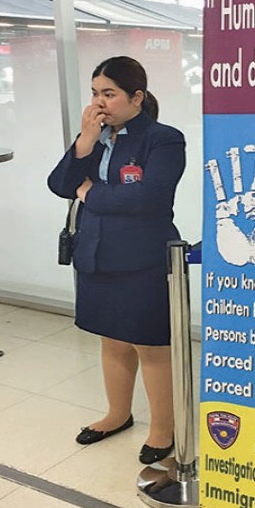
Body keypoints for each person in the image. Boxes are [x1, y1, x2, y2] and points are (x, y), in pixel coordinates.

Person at [47, 56, 186, 464]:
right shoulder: (96, 138)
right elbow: (59, 184)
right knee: (112, 340)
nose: (99, 102)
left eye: (109, 94)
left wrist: (90, 192)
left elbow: (148, 199)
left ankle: (163, 429)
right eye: (95, 93)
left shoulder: (163, 139)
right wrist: (84, 143)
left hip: (143, 257)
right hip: (96, 253)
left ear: (136, 97)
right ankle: (117, 414)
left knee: (150, 345)